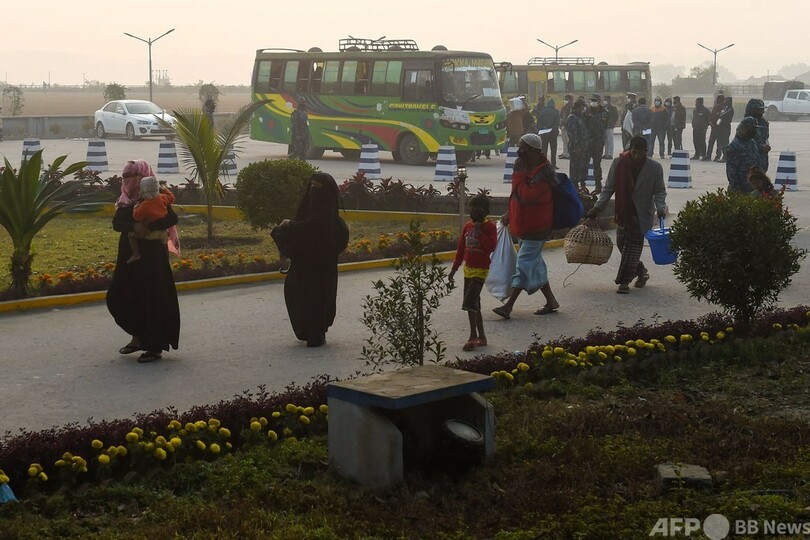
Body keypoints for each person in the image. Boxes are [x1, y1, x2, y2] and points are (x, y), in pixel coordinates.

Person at [107, 160, 180, 363]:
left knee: (152, 299)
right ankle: (137, 337)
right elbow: (117, 223)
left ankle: (154, 346)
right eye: (126, 177)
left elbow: (171, 219)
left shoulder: (156, 195)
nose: (130, 181)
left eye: (134, 176)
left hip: (152, 257)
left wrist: (148, 224)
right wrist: (133, 226)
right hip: (129, 256)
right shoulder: (124, 200)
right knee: (119, 295)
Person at [271, 173, 349, 347]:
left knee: (316, 300)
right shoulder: (314, 217)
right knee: (300, 297)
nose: (314, 191)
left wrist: (290, 225)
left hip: (320, 270)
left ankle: (316, 333)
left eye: (318, 188)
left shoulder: (330, 223)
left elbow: (314, 229)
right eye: (312, 187)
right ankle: (310, 332)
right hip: (305, 269)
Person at [586, 136, 667, 294]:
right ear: (630, 149)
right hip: (623, 212)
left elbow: (659, 190)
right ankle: (641, 272)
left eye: (640, 151)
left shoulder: (655, 168)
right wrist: (597, 208)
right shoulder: (619, 163)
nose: (636, 154)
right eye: (634, 150)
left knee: (633, 249)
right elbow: (609, 188)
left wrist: (661, 207)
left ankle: (624, 282)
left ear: (646, 151)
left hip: (642, 214)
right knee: (623, 246)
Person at [492, 133, 560, 319]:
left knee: (523, 266)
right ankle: (551, 301)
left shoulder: (543, 173)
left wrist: (518, 176)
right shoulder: (523, 167)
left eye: (523, 147)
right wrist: (509, 214)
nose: (519, 150)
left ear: (534, 151)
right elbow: (516, 196)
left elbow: (526, 196)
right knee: (534, 264)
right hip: (523, 225)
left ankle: (509, 306)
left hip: (537, 228)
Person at [448, 194, 497, 352]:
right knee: (474, 304)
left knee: (470, 301)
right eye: (472, 207)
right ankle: (479, 335)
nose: (474, 210)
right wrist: (454, 269)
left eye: (478, 208)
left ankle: (474, 336)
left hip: (481, 270)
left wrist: (480, 233)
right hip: (468, 269)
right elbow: (461, 249)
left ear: (485, 211)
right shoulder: (467, 226)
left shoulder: (489, 227)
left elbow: (491, 247)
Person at [127, 176, 176, 264]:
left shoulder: (144, 205)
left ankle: (135, 254)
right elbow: (171, 198)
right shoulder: (162, 198)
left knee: (131, 235)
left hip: (150, 234)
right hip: (164, 233)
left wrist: (136, 206)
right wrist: (164, 188)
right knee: (164, 253)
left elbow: (137, 217)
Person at [724, 117, 760, 193]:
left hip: (754, 187)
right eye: (752, 129)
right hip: (741, 188)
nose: (755, 131)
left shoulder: (752, 143)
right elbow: (731, 171)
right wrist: (736, 190)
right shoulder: (734, 147)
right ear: (745, 129)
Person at [583, 94, 608, 193]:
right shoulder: (586, 111)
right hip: (588, 142)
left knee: (597, 165)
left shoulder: (604, 112)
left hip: (598, 142)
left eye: (595, 100)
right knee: (585, 164)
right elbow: (583, 124)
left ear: (599, 101)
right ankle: (583, 184)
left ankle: (598, 185)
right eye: (591, 100)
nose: (593, 102)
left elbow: (603, 126)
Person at [567, 99, 589, 190]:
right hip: (576, 148)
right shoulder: (572, 117)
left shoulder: (581, 117)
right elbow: (572, 134)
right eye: (583, 106)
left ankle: (582, 185)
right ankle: (574, 186)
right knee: (575, 169)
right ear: (579, 107)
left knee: (583, 168)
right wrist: (577, 147)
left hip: (582, 148)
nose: (584, 108)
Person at [744, 98, 771, 171]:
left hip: (762, 159)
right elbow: (745, 142)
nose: (761, 112)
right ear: (752, 110)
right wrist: (760, 147)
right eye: (758, 110)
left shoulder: (763, 123)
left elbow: (765, 137)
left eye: (762, 110)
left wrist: (766, 146)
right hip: (750, 161)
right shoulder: (746, 123)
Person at [536, 98, 561, 169]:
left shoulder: (542, 112)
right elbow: (557, 123)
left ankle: (544, 164)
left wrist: (544, 128)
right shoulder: (556, 112)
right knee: (553, 150)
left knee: (544, 150)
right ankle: (553, 164)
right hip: (553, 134)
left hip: (544, 134)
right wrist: (552, 128)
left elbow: (538, 123)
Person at [704, 93, 725, 161]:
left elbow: (721, 118)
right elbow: (712, 115)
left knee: (719, 143)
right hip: (713, 128)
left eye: (718, 99)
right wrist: (710, 121)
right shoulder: (715, 106)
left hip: (719, 128)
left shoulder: (723, 108)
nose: (717, 100)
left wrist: (717, 124)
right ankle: (708, 156)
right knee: (711, 142)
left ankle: (718, 156)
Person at [714, 96, 734, 162]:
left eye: (727, 101)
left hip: (726, 127)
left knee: (725, 143)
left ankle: (725, 157)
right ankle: (723, 156)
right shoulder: (724, 108)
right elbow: (720, 116)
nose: (725, 102)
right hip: (721, 127)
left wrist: (719, 114)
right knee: (721, 143)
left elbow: (722, 115)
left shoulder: (730, 109)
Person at [559, 94, 574, 159]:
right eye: (565, 99)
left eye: (567, 99)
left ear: (571, 100)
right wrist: (561, 124)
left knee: (569, 140)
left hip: (569, 127)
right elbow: (561, 116)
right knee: (564, 140)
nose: (565, 100)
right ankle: (565, 153)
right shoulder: (563, 108)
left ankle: (569, 154)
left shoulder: (572, 108)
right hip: (563, 126)